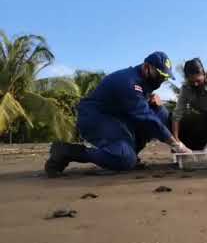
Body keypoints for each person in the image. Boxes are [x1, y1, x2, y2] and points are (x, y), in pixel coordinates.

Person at [44, 51, 191, 178]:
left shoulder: (142, 81)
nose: (160, 80)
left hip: (119, 119)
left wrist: (152, 99)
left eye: (164, 78)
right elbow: (146, 119)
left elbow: (143, 108)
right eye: (158, 75)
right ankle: (67, 151)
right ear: (146, 67)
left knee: (160, 112)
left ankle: (135, 154)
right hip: (96, 119)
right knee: (125, 159)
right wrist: (176, 144)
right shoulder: (128, 82)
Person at [172, 58, 207, 151]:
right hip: (201, 123)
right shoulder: (185, 89)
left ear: (204, 75)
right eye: (192, 82)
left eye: (198, 81)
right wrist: (176, 141)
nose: (195, 84)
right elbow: (176, 116)